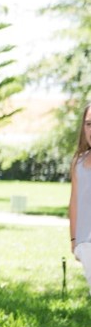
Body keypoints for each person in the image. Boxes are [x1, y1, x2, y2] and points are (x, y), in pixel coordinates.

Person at [69, 102, 91, 296]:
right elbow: (74, 201)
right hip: (86, 243)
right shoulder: (79, 162)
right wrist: (74, 240)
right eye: (89, 124)